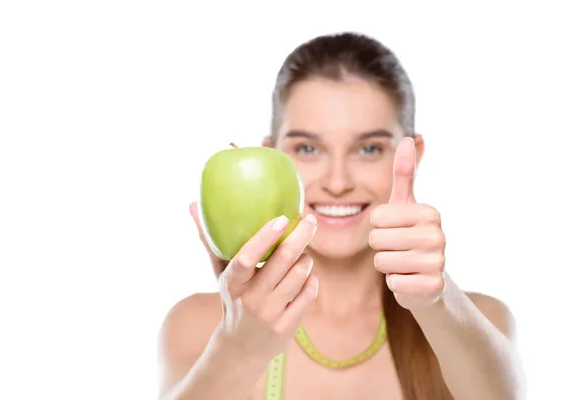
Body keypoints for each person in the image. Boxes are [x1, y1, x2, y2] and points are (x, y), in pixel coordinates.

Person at [157, 32, 526, 400]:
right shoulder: (201, 327)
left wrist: (437, 300)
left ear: (412, 154)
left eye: (368, 149)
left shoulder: (475, 321)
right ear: (272, 156)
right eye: (307, 148)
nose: (337, 182)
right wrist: (240, 349)